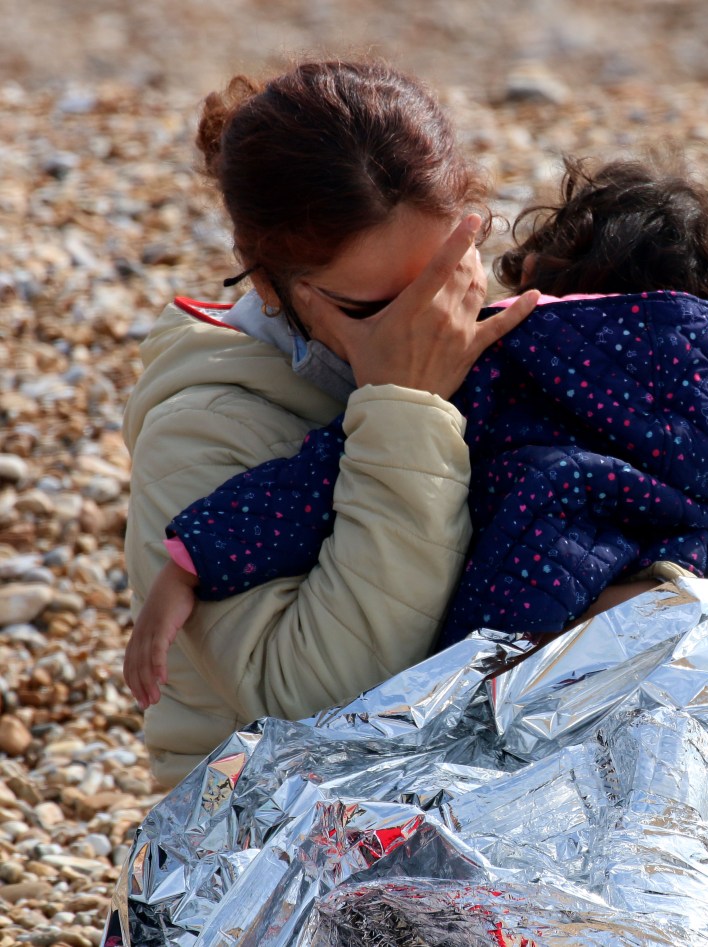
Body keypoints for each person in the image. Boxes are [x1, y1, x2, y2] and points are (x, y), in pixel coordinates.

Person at [125, 152, 708, 725]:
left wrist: (194, 556)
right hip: (705, 649)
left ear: (528, 274)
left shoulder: (514, 357)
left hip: (525, 639)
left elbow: (321, 476)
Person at [122, 58, 540, 788]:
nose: (430, 324)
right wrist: (406, 409)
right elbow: (315, 702)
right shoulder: (200, 428)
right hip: (264, 840)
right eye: (375, 308)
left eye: (443, 281)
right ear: (267, 283)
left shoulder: (502, 342)